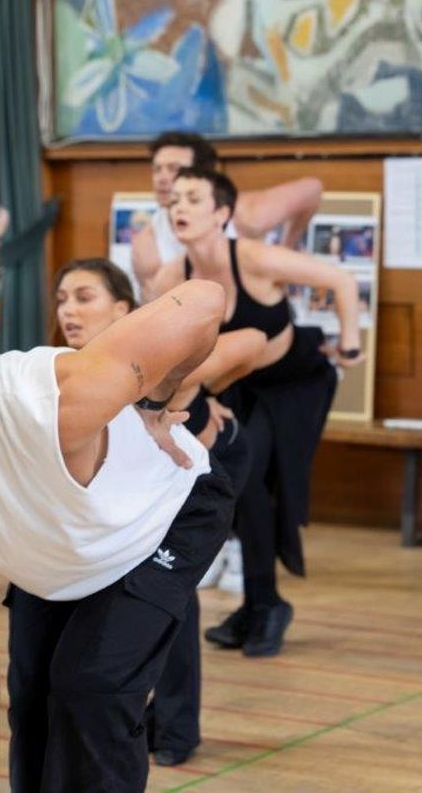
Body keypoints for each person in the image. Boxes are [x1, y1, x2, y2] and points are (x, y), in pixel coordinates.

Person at [0, 256, 235, 792]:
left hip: (165, 517)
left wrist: (155, 398)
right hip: (57, 552)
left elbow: (205, 300)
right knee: (32, 705)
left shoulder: (48, 401)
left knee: (90, 692)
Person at [54, 258, 265, 767]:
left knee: (169, 600)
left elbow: (252, 340)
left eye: (85, 297)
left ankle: (176, 727)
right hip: (133, 504)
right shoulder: (63, 368)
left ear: (124, 310)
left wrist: (192, 387)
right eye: (61, 299)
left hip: (204, 482)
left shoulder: (149, 362)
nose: (69, 311)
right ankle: (142, 716)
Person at [149, 167, 363, 659]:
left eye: (193, 198)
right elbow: (165, 347)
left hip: (295, 383)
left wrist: (350, 345)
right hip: (236, 388)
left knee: (255, 484)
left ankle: (265, 605)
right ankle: (259, 604)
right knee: (239, 487)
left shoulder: (253, 257)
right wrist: (205, 397)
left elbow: (342, 282)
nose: (179, 207)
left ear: (222, 213)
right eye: (174, 199)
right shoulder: (171, 276)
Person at [130, 130, 323, 302]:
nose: (161, 178)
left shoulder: (246, 215)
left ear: (204, 176)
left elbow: (312, 189)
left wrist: (288, 244)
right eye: (156, 169)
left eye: (173, 169)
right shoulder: (147, 246)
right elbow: (156, 315)